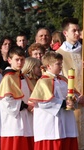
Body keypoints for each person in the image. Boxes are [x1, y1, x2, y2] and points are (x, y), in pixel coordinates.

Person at [29, 51, 79, 150]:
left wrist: (73, 99)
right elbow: (43, 102)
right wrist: (64, 103)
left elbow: (72, 94)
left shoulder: (63, 79)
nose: (61, 66)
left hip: (66, 119)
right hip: (50, 123)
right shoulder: (43, 81)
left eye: (61, 63)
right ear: (48, 66)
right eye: (58, 64)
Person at [0, 46, 34, 150]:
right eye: (17, 59)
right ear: (9, 60)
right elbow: (7, 101)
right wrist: (26, 106)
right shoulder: (8, 78)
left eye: (22, 60)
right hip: (12, 123)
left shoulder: (24, 77)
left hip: (26, 120)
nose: (20, 62)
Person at [57, 18, 84, 149]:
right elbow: (59, 80)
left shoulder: (83, 50)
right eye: (74, 30)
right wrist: (77, 97)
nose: (77, 33)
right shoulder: (58, 55)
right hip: (72, 103)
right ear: (65, 33)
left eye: (78, 30)